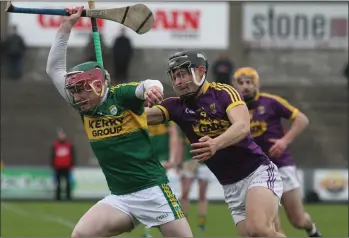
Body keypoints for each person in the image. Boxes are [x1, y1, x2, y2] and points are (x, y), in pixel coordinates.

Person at [45, 6, 192, 237]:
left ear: (98, 85)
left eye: (81, 90)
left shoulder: (119, 95)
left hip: (152, 191)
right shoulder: (84, 106)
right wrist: (66, 26)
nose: (76, 97)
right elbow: (54, 68)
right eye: (73, 91)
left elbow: (147, 84)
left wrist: (154, 89)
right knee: (81, 234)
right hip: (121, 197)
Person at [145, 51, 285, 237]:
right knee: (257, 235)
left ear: (201, 71)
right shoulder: (175, 107)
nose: (178, 82)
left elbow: (243, 127)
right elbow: (140, 118)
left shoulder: (223, 93)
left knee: (258, 229)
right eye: (175, 76)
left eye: (182, 74)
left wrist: (216, 143)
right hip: (230, 186)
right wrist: (136, 95)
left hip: (257, 172)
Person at [232, 67, 322, 237]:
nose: (245, 86)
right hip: (256, 170)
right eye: (241, 83)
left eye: (249, 82)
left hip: (281, 165)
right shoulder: (233, 108)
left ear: (257, 84)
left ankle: (312, 229)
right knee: (270, 227)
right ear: (234, 86)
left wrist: (284, 141)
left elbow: (302, 119)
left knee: (298, 220)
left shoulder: (270, 102)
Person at [143, 121, 181, 237]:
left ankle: (175, 229)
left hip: (164, 162)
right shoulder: (142, 115)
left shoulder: (164, 116)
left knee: (170, 198)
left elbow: (174, 137)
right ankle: (148, 232)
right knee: (149, 197)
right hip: (150, 162)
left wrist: (173, 159)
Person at [179, 134, 213, 232]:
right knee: (185, 193)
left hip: (204, 162)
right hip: (188, 161)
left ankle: (202, 223)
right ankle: (184, 222)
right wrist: (179, 162)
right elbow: (180, 143)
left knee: (202, 194)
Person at [51, 128, 75, 201]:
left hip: (67, 167)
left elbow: (72, 156)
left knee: (67, 182)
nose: (61, 137)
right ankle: (57, 197)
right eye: (60, 135)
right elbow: (52, 156)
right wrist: (53, 165)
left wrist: (72, 165)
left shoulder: (69, 145)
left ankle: (68, 197)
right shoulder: (55, 145)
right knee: (57, 183)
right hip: (58, 167)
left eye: (62, 135)